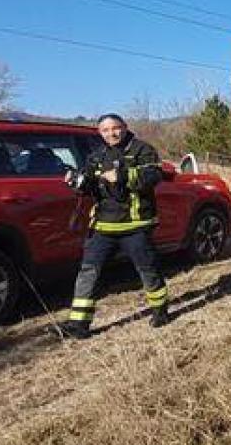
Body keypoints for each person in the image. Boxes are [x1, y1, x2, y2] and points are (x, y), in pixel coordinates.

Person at [60, 114, 170, 339]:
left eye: (115, 128)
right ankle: (78, 325)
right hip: (103, 226)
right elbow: (90, 185)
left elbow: (154, 175)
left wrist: (122, 176)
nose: (111, 134)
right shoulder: (96, 156)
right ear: (100, 133)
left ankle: (160, 311)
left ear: (125, 127)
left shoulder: (142, 150)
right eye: (105, 130)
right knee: (88, 272)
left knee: (147, 269)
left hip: (136, 225)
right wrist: (78, 182)